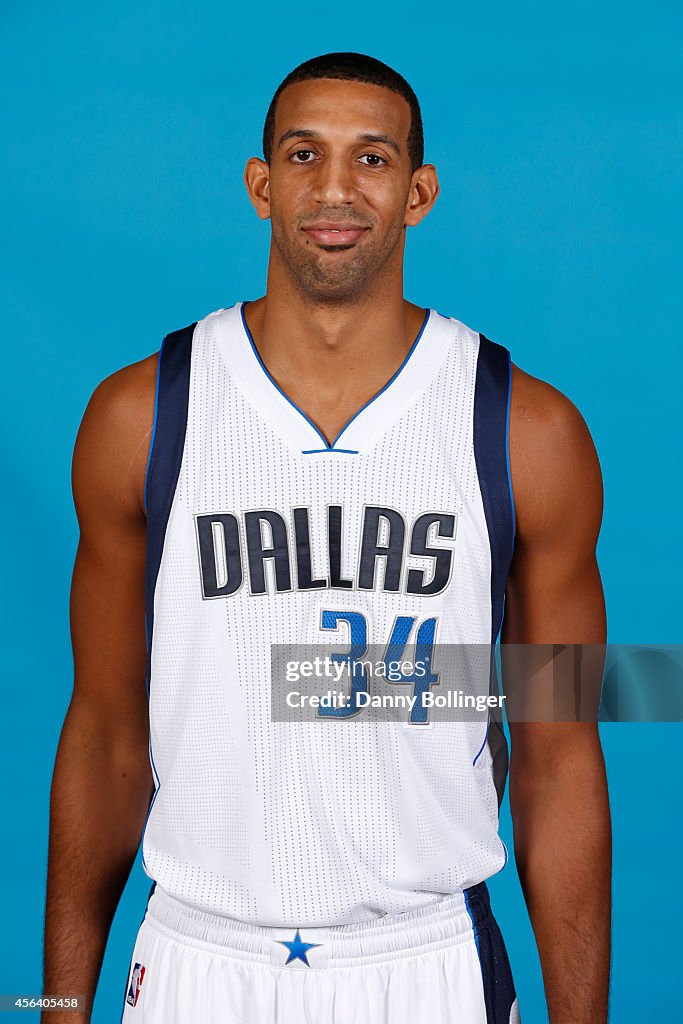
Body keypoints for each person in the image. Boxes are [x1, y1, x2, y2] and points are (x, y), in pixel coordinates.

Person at [43, 51, 611, 1024]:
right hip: (194, 960)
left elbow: (558, 751)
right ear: (260, 185)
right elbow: (101, 733)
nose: (335, 189)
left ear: (418, 193)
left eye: (372, 159)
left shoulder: (524, 432)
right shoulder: (142, 417)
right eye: (304, 155)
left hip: (428, 958)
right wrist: (59, 1006)